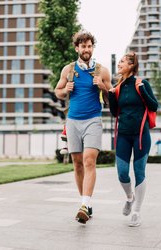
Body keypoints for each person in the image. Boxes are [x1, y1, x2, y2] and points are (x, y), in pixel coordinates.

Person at [54, 31, 112, 224]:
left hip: (93, 120)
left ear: (92, 48)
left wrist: (103, 86)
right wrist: (65, 90)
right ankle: (85, 202)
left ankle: (84, 205)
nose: (86, 49)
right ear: (77, 48)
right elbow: (57, 92)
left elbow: (112, 95)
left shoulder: (102, 71)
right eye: (83, 46)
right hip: (72, 121)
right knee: (77, 163)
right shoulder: (68, 70)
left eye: (89, 46)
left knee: (89, 161)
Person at [108, 52, 158, 227]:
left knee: (139, 173)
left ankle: (136, 212)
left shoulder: (141, 83)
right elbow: (115, 112)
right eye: (119, 61)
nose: (119, 64)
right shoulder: (118, 87)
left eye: (122, 61)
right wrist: (110, 95)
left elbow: (154, 106)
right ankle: (130, 197)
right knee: (122, 172)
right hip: (123, 135)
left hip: (141, 136)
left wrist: (142, 90)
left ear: (131, 65)